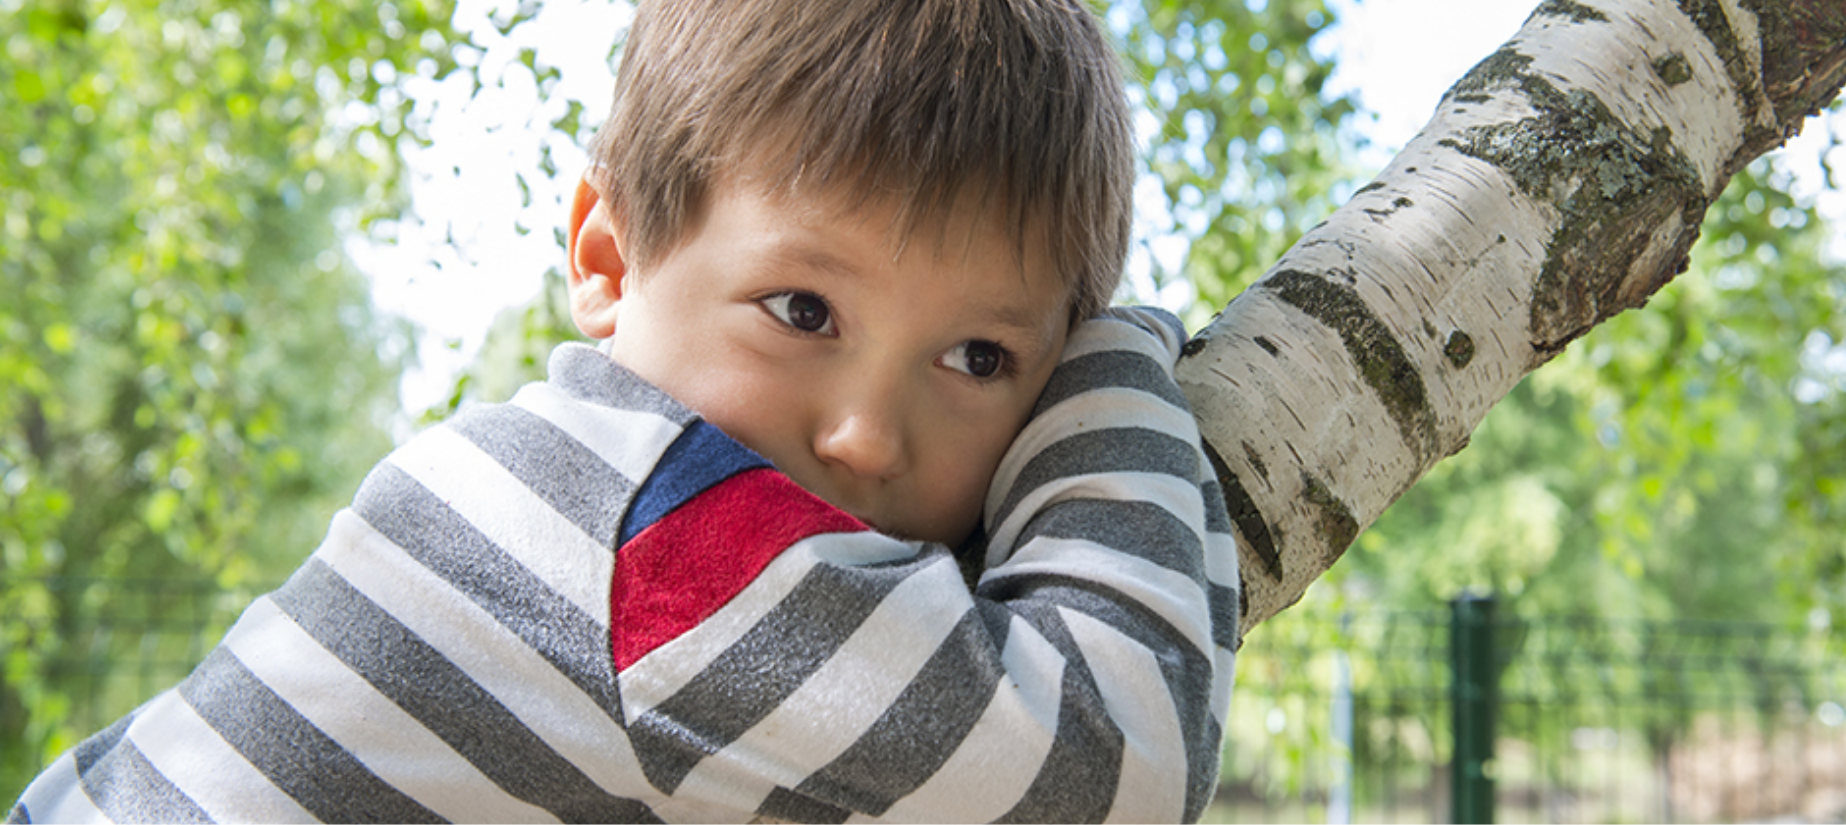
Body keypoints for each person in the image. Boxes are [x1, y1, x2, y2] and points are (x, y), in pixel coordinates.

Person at [6, 0, 1239, 823]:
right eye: (802, 311)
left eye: (977, 356)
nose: (864, 434)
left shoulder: (554, 479)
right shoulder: (670, 546)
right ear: (606, 256)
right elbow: (1115, 766)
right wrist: (1118, 361)